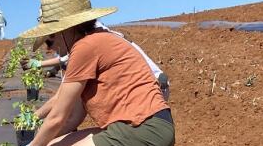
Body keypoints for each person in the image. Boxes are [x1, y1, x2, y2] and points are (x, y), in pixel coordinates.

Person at [1, 0, 176, 146]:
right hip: (139, 128)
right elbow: (73, 118)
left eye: (51, 38)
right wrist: (44, 145)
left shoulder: (86, 47)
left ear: (65, 29)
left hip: (144, 133)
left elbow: (59, 116)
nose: (51, 48)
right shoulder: (94, 41)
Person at [33, 28, 170, 100]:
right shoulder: (87, 36)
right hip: (145, 89)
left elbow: (68, 60)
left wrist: (39, 63)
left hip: (151, 89)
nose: (49, 49)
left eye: (50, 42)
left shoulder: (90, 41)